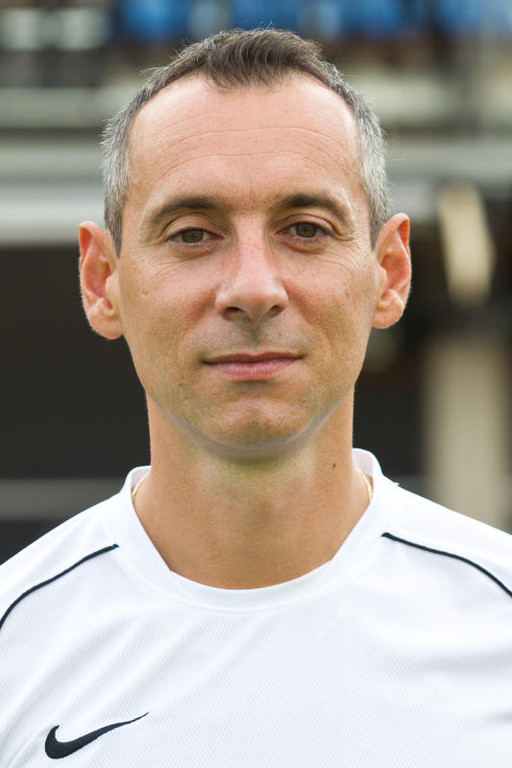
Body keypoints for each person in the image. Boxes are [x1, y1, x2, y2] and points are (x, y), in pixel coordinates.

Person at [1, 28, 511, 767]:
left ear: (389, 274)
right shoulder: (16, 645)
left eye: (305, 229)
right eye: (192, 234)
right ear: (101, 280)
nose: (252, 288)